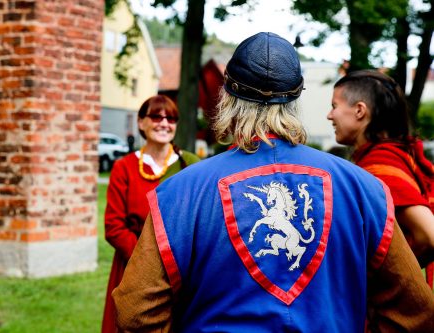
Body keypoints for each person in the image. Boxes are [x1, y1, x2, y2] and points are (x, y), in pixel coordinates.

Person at [112, 32, 434, 332]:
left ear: (227, 98)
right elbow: (415, 309)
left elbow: (136, 310)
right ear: (295, 101)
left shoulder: (180, 191)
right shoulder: (365, 189)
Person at [101, 95, 200, 333]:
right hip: (132, 265)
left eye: (171, 118)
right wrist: (147, 262)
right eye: (156, 116)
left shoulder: (190, 165)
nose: (164, 123)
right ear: (141, 122)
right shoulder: (124, 167)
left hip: (179, 270)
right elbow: (113, 226)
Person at [327, 69, 434, 288]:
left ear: (359, 110)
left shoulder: (381, 165)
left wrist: (382, 281)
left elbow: (429, 236)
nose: (330, 115)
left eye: (335, 106)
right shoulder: (394, 155)